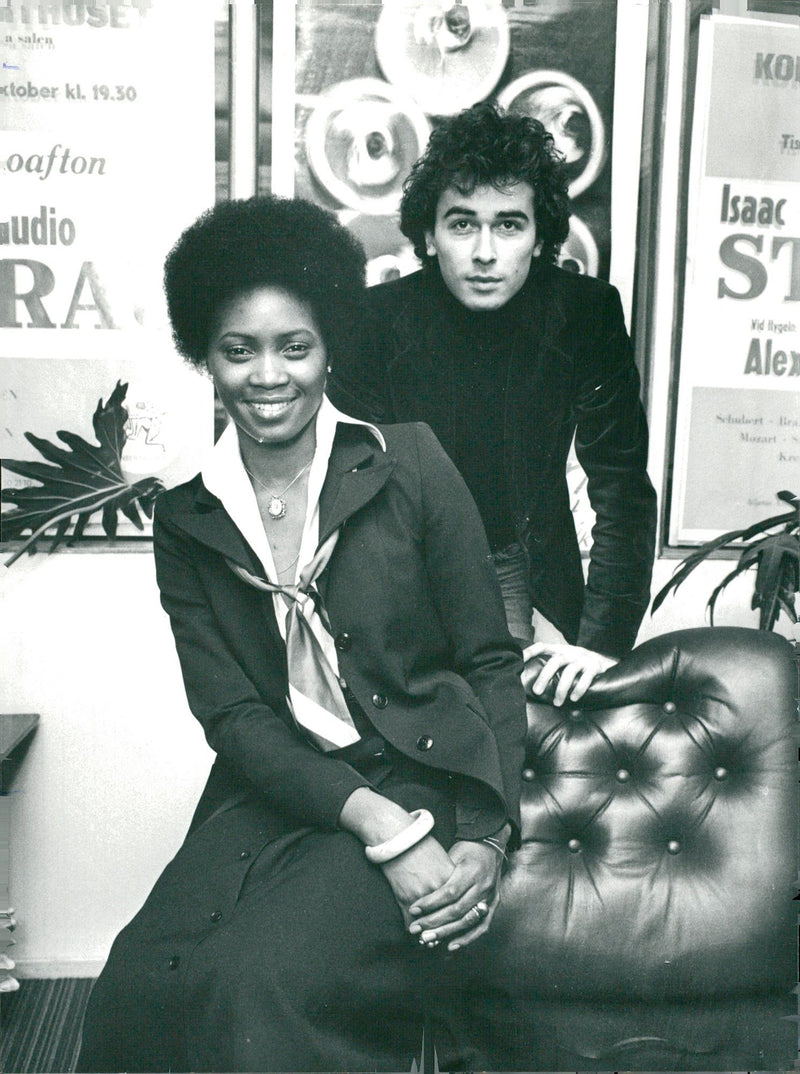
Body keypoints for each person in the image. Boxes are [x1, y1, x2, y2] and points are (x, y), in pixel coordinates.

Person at [77, 195, 542, 1073]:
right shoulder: (188, 516)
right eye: (237, 351)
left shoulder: (410, 463)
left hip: (418, 771)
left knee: (262, 986)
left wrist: (485, 836)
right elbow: (233, 716)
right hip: (282, 789)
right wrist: (380, 830)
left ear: (329, 350)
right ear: (204, 360)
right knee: (136, 986)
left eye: (295, 347)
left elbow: (486, 660)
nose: (268, 376)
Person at [328, 101, 658, 666]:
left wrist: (599, 651)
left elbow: (623, 493)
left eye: (508, 224)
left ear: (539, 237)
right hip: (404, 569)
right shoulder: (375, 319)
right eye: (462, 224)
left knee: (535, 733)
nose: (485, 253)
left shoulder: (586, 313)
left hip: (525, 565)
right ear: (429, 236)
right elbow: (346, 496)